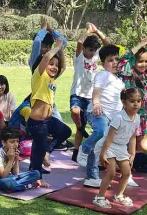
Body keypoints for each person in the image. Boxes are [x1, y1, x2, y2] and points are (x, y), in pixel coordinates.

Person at [77, 45, 127, 187]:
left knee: (98, 145)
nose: (115, 62)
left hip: (110, 117)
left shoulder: (119, 81)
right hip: (98, 112)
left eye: (116, 59)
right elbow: (97, 90)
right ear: (103, 63)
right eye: (110, 60)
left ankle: (91, 177)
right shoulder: (103, 74)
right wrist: (96, 103)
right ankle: (84, 149)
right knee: (100, 131)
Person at [27, 37, 70, 187]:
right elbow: (46, 57)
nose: (54, 67)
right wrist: (57, 46)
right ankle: (37, 177)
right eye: (51, 64)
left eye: (55, 65)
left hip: (47, 121)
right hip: (37, 123)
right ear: (42, 65)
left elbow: (63, 67)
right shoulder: (39, 76)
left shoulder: (52, 79)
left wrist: (61, 51)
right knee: (37, 152)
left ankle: (47, 152)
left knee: (65, 131)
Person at [93, 88, 141, 208]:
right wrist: (102, 154)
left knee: (126, 172)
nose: (136, 104)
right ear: (124, 103)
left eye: (138, 101)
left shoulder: (137, 118)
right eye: (132, 101)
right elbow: (108, 138)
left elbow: (133, 137)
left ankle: (119, 195)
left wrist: (132, 153)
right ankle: (99, 198)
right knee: (111, 172)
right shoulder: (119, 118)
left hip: (121, 147)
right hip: (108, 146)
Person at [70, 22, 109, 162]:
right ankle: (80, 128)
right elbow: (80, 41)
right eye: (89, 49)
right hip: (77, 93)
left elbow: (107, 44)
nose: (92, 52)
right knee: (75, 112)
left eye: (94, 50)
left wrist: (97, 30)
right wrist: (88, 30)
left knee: (84, 126)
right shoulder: (79, 57)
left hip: (90, 97)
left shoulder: (95, 57)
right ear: (84, 49)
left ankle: (76, 153)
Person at [118, 37, 147, 155]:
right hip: (130, 114)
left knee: (143, 147)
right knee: (127, 143)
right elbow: (123, 59)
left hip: (144, 115)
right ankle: (126, 163)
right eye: (140, 61)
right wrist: (140, 45)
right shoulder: (127, 73)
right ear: (134, 61)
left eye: (146, 61)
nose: (144, 64)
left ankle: (134, 161)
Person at [0, 127, 42, 192]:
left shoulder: (14, 151)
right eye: (12, 142)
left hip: (11, 177)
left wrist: (16, 159)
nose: (15, 144)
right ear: (4, 142)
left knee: (36, 173)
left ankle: (15, 186)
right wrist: (11, 160)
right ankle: (26, 186)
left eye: (17, 141)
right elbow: (3, 176)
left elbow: (16, 173)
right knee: (8, 182)